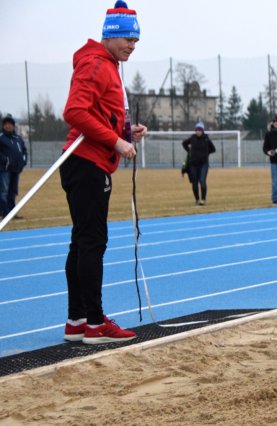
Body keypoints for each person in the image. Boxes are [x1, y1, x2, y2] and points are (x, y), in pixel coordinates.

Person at [60, 0, 147, 344]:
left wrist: (127, 132)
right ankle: (95, 323)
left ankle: (78, 320)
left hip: (89, 161)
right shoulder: (96, 65)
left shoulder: (108, 65)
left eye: (136, 41)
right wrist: (116, 142)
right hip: (87, 164)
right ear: (112, 36)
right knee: (92, 243)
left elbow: (101, 115)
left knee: (81, 243)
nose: (132, 46)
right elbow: (75, 112)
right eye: (128, 39)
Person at [0, 115, 28, 219]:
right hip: (4, 169)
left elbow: (24, 151)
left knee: (13, 192)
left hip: (16, 169)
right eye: (6, 124)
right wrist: (5, 160)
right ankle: (5, 213)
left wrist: (23, 161)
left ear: (13, 126)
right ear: (3, 126)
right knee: (3, 192)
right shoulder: (1, 138)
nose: (8, 126)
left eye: (10, 124)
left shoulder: (18, 139)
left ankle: (12, 212)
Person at [182, 120, 215, 206]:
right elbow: (184, 143)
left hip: (203, 164)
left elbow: (213, 149)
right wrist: (189, 151)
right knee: (195, 183)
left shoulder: (206, 139)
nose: (198, 131)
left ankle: (203, 199)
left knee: (202, 181)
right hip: (193, 164)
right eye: (197, 130)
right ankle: (197, 199)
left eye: (200, 130)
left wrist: (206, 153)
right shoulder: (192, 138)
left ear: (202, 130)